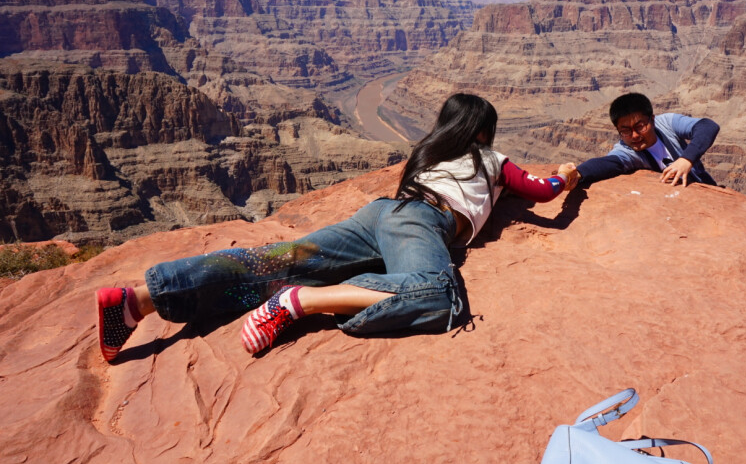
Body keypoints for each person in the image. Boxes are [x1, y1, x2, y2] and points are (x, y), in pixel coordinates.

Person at [97, 93, 577, 362]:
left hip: (382, 213)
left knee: (283, 258)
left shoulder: (430, 152)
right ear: (481, 132)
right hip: (421, 224)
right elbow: (540, 190)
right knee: (438, 295)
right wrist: (567, 175)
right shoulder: (490, 158)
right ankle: (300, 302)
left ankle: (137, 300)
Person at [570, 92, 719, 188]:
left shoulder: (667, 123)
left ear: (652, 120)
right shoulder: (626, 150)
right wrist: (577, 174)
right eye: (625, 131)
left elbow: (708, 127)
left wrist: (686, 159)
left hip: (706, 186)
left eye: (640, 126)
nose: (634, 135)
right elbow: (607, 163)